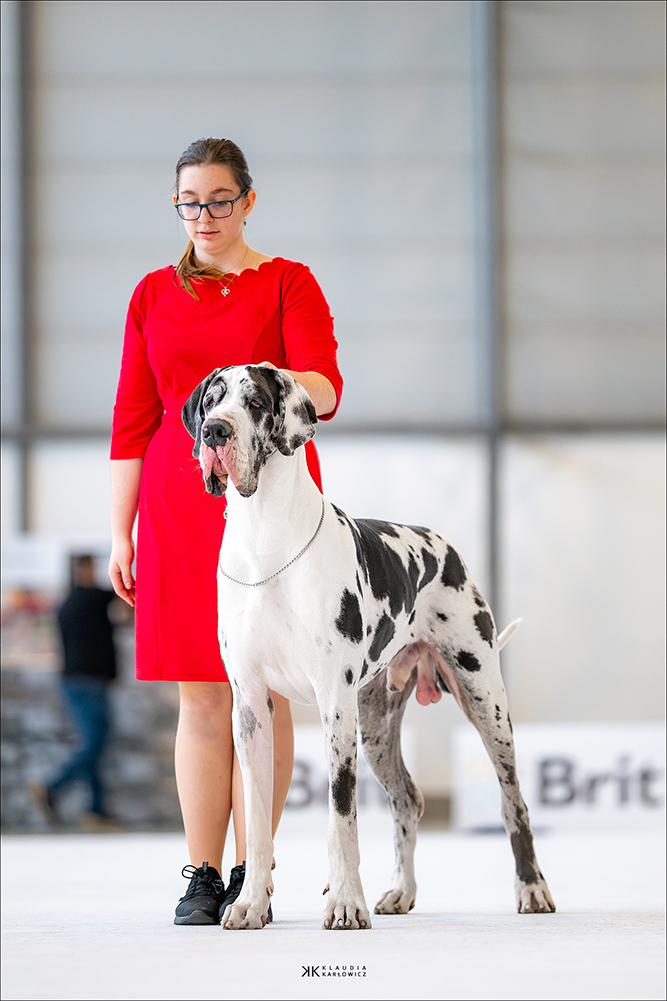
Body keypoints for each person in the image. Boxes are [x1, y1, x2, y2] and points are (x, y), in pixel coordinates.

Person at [108, 137, 342, 925]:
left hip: (272, 504)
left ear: (247, 200)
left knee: (265, 687)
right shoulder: (151, 294)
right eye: (188, 202)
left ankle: (255, 867)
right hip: (177, 504)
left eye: (217, 200)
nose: (202, 216)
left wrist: (258, 383)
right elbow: (133, 420)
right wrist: (120, 532)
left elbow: (324, 387)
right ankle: (202, 873)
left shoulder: (287, 282)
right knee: (202, 692)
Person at [41, 554, 121, 831]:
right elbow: (121, 594)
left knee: (93, 743)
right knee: (94, 742)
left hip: (79, 681)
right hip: (87, 682)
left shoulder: (69, 603)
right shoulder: (88, 598)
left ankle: (96, 809)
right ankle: (53, 786)